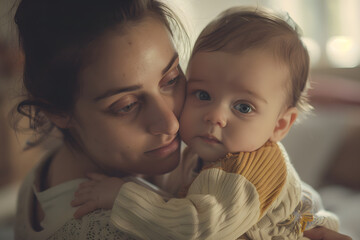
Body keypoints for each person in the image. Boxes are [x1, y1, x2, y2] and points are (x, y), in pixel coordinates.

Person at [12, 0, 351, 239]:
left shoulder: (50, 173)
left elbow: (288, 204)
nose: (172, 124)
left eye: (171, 79)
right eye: (127, 105)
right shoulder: (106, 226)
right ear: (57, 112)